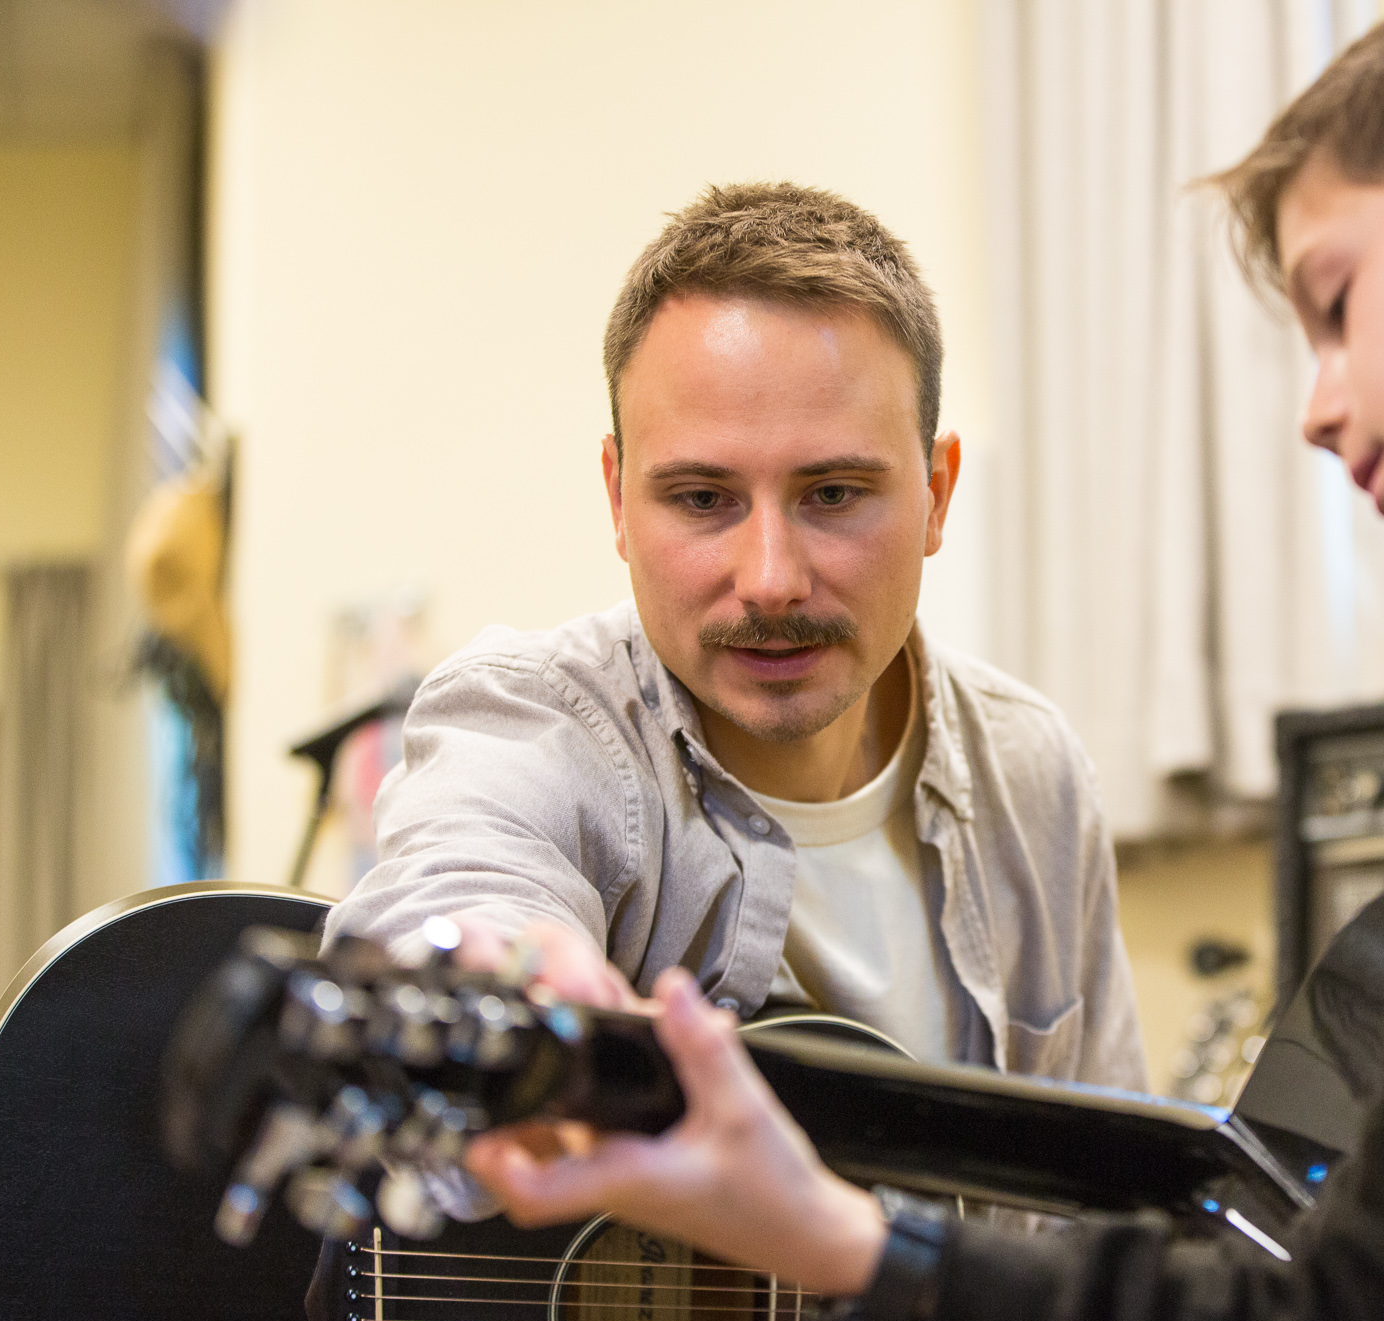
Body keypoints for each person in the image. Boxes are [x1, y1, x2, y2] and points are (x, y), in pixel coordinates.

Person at [461, 0, 1384, 1321]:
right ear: (617, 497)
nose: (1315, 406)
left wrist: (853, 1244)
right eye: (701, 497)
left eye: (1338, 303)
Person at [321, 182, 1145, 1088]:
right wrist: (506, 976)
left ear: (936, 495)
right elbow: (456, 892)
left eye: (833, 493)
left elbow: (1116, 1163)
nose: (770, 579)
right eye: (704, 498)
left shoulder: (1034, 777)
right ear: (618, 499)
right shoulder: (533, 725)